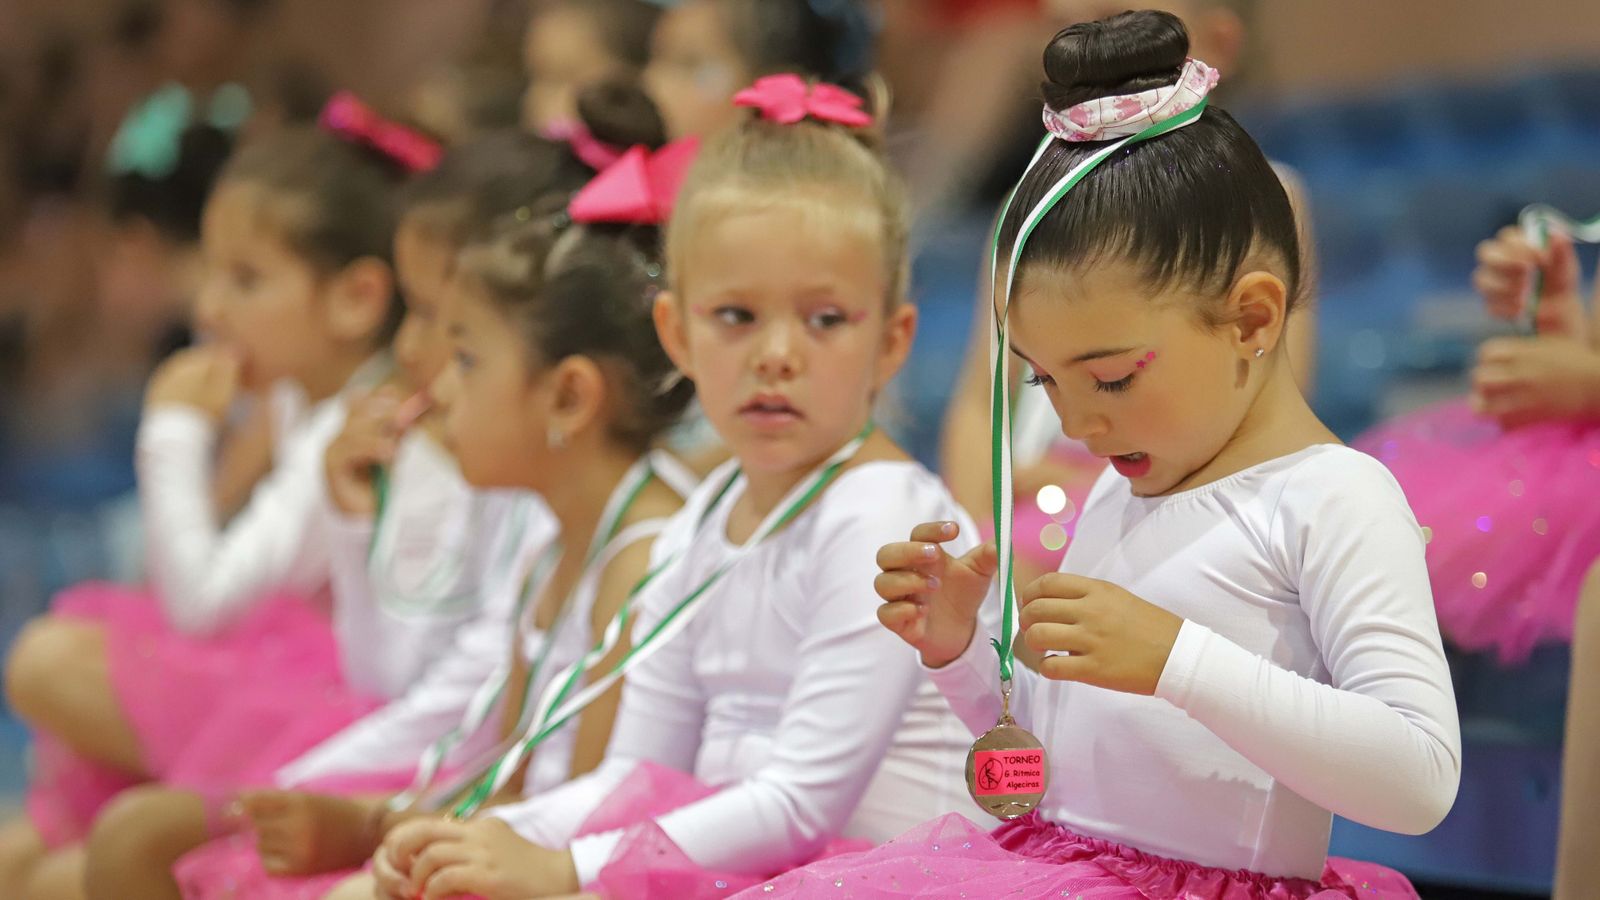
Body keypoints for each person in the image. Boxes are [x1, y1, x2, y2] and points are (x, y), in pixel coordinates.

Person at [753, 12, 1459, 898]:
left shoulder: (1335, 496)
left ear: (1252, 318)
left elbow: (1421, 776)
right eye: (1046, 384)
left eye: (1113, 379)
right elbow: (1055, 759)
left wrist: (1178, 659)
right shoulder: (1123, 490)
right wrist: (962, 652)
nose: (1079, 428)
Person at [359, 74, 991, 900]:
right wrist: (483, 837)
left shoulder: (881, 514)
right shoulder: (704, 519)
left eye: (825, 319)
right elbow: (636, 773)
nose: (777, 354)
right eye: (736, 316)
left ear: (892, 340)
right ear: (677, 332)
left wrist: (561, 869)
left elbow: (800, 803)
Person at [1, 98, 421, 897]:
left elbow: (201, 602)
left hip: (336, 716)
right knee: (26, 861)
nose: (211, 309)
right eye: (214, 271)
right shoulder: (303, 399)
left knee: (43, 663)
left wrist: (172, 434)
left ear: (356, 299)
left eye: (248, 280)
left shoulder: (353, 419)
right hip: (280, 689)